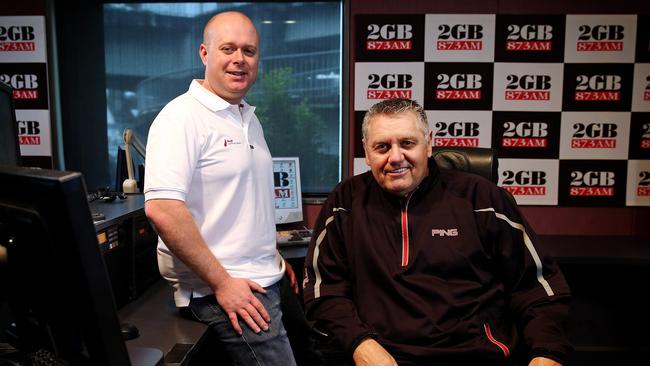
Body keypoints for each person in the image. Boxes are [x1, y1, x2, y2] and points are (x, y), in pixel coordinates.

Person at [302, 98, 572, 366]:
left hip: (476, 355)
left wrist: (547, 353)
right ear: (366, 151)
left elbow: (538, 286)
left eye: (407, 143)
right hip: (384, 357)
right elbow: (323, 290)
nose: (396, 157)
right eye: (382, 146)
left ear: (429, 144)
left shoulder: (482, 199)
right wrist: (360, 343)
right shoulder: (345, 202)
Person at [144, 11, 297, 365]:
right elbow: (162, 209)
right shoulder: (180, 117)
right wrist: (224, 284)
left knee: (316, 351)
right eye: (228, 48)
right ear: (204, 53)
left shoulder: (246, 115)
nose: (239, 59)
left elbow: (241, 202)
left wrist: (269, 256)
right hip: (223, 289)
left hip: (264, 277)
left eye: (249, 51)